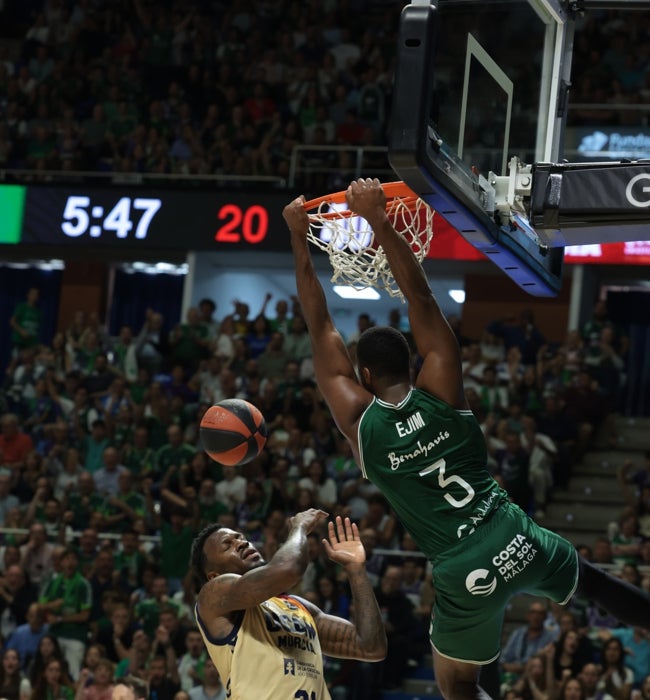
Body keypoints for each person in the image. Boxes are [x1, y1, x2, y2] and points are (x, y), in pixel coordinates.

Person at [283, 177, 650, 700]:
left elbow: (320, 328)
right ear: (414, 364)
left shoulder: (360, 421)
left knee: (458, 684)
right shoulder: (443, 384)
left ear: (363, 375)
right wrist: (380, 221)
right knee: (594, 584)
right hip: (512, 532)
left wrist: (300, 238)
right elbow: (419, 295)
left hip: (461, 569)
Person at [190, 510, 386, 699]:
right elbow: (289, 568)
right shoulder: (213, 596)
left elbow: (371, 647)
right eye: (228, 545)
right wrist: (298, 528)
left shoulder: (299, 607)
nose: (241, 543)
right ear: (214, 576)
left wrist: (356, 569)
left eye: (241, 538)